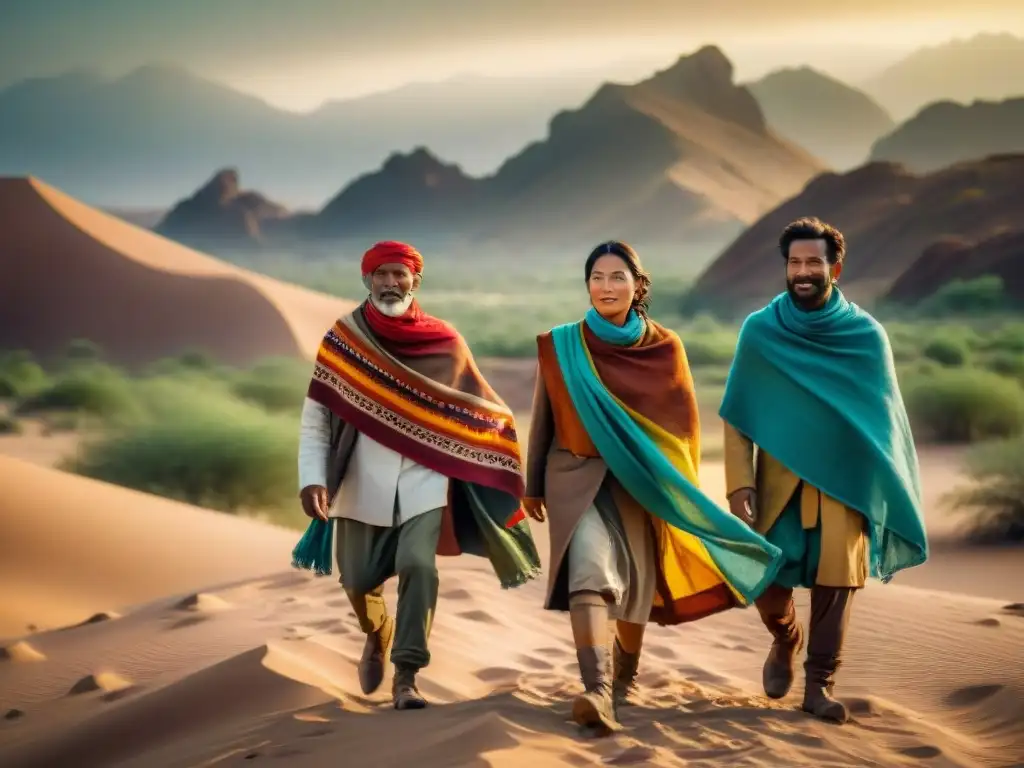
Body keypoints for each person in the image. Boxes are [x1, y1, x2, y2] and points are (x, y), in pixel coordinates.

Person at [523, 240, 784, 734]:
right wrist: (532, 483)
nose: (606, 287)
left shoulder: (665, 347)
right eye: (597, 277)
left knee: (634, 583)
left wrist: (677, 490)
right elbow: (544, 418)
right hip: (574, 477)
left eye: (617, 277)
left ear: (638, 286)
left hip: (641, 482)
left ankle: (625, 673)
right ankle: (597, 690)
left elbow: (683, 427)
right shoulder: (560, 345)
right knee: (589, 573)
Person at [292, 240, 541, 711]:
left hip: (426, 481)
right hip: (360, 481)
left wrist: (498, 443)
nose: (390, 284)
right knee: (357, 580)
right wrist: (312, 478)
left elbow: (476, 404)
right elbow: (317, 416)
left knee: (418, 567)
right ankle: (379, 633)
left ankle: (407, 675)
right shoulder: (345, 339)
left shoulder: (444, 340)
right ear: (366, 280)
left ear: (415, 280)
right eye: (381, 275)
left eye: (399, 275)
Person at [720, 217, 927, 724]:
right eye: (795, 263)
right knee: (768, 586)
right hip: (778, 488)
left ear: (836, 265)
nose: (803, 272)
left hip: (844, 487)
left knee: (837, 588)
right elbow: (738, 413)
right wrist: (739, 483)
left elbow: (884, 424)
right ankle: (785, 639)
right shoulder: (760, 331)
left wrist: (879, 491)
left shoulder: (865, 336)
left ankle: (819, 687)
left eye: (814, 262)